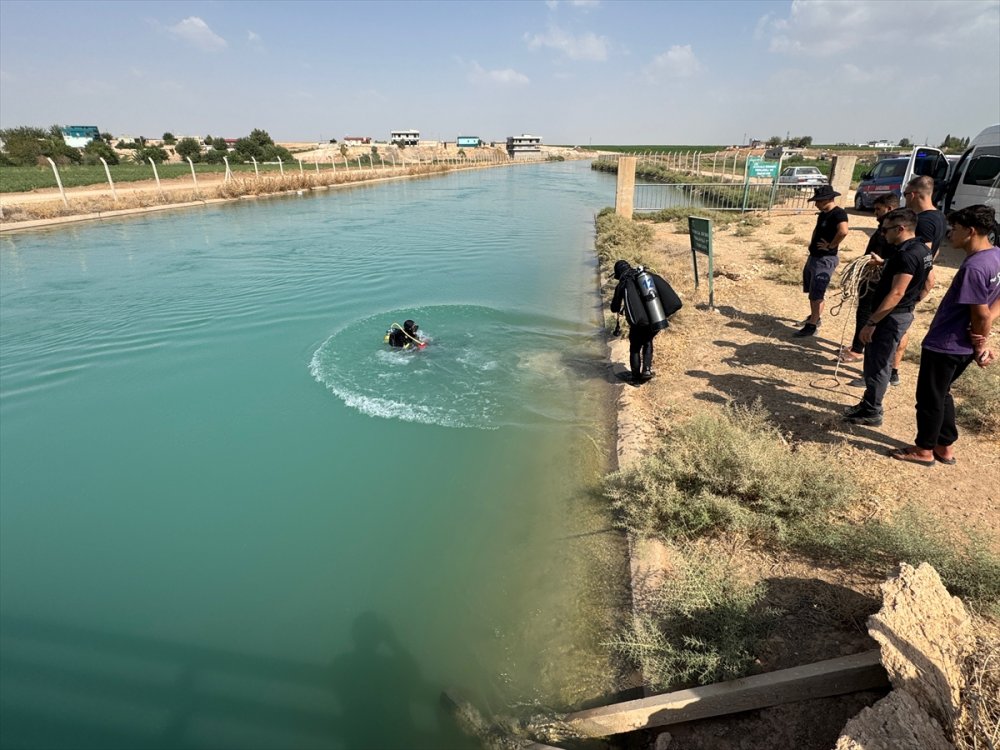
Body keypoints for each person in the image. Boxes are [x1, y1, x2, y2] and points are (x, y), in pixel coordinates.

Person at [890, 205, 1000, 466]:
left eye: (956, 229)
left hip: (946, 343)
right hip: (960, 345)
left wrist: (981, 340)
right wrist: (980, 338)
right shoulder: (996, 256)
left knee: (930, 397)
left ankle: (924, 449)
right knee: (943, 392)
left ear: (971, 231)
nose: (950, 233)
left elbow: (981, 314)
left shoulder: (974, 267)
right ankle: (945, 444)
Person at [843, 208, 933, 426]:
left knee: (877, 364)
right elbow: (929, 282)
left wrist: (872, 322)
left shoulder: (906, 255)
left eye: (886, 229)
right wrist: (884, 265)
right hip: (901, 313)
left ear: (900, 228)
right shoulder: (921, 249)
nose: (883, 234)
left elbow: (897, 292)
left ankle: (872, 411)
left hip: (889, 318)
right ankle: (868, 404)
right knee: (878, 361)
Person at [887, 175, 949, 385]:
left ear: (913, 194)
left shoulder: (924, 221)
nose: (904, 199)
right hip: (917, 280)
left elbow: (923, 253)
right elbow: (934, 252)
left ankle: (889, 371)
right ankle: (891, 370)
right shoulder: (939, 216)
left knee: (896, 326)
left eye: (905, 195)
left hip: (909, 282)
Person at [841, 193, 900, 362]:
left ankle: (858, 349)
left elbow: (896, 256)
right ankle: (858, 345)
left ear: (889, 209)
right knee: (864, 311)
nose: (875, 212)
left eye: (878, 209)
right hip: (871, 277)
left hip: (877, 279)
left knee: (866, 313)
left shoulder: (891, 231)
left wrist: (881, 264)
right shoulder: (884, 226)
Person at [610, 260, 681, 384]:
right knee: (648, 341)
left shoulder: (624, 283)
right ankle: (647, 371)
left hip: (639, 322)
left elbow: (614, 307)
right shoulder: (644, 275)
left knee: (635, 347)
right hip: (655, 316)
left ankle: (635, 377)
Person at [796, 185, 849, 337]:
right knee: (812, 291)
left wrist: (831, 245)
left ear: (828, 199)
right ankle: (814, 316)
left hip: (825, 259)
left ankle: (812, 324)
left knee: (817, 292)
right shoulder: (823, 214)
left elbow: (843, 231)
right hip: (815, 256)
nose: (816, 204)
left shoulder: (839, 213)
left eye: (818, 201)